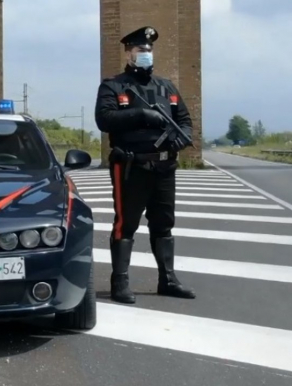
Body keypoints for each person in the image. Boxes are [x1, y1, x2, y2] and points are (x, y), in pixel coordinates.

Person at [94, 26, 196, 304]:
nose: (145, 54)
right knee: (125, 225)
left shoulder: (166, 87)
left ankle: (168, 279)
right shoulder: (113, 86)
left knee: (163, 224)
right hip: (131, 167)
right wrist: (141, 115)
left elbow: (185, 120)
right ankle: (120, 282)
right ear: (128, 53)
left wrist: (180, 138)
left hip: (164, 167)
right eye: (140, 50)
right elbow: (104, 119)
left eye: (148, 50)